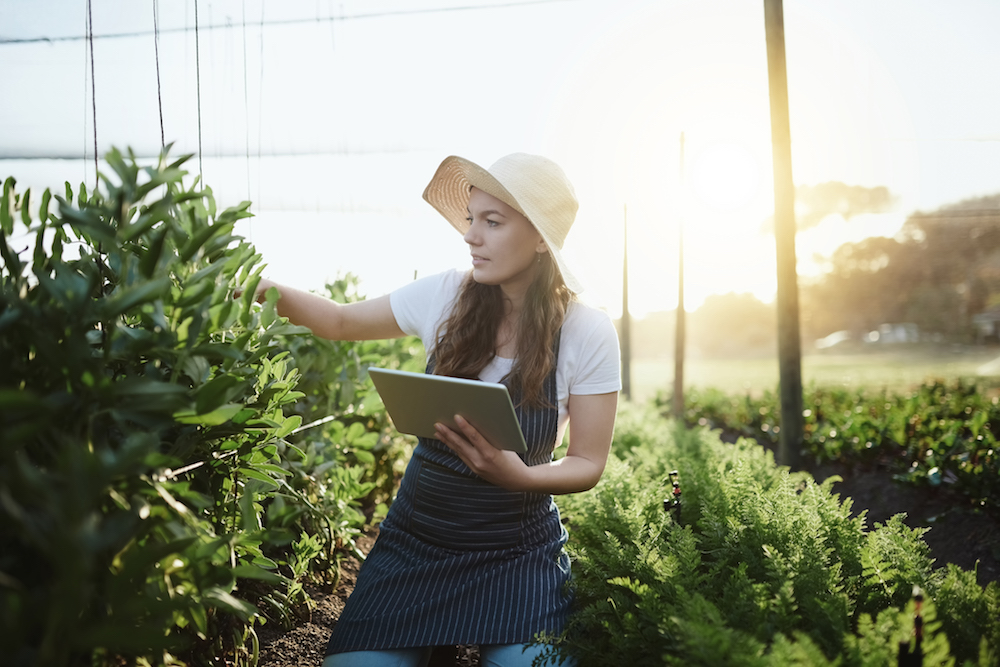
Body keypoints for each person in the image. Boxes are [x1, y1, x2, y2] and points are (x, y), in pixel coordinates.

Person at [246, 153, 620, 667]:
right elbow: (338, 321)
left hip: (516, 552)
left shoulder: (586, 331)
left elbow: (587, 463)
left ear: (539, 238)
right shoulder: (446, 294)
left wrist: (516, 476)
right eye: (472, 220)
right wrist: (266, 289)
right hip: (417, 543)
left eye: (492, 222)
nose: (471, 236)